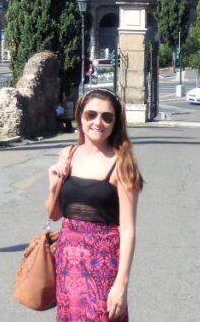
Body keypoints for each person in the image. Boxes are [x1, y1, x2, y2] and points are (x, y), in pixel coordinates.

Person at [46, 88, 144, 321]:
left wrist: (121, 284)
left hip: (102, 265)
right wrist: (53, 184)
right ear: (80, 116)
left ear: (115, 122)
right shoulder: (68, 154)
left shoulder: (122, 164)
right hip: (67, 264)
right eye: (91, 114)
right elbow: (54, 214)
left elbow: (128, 230)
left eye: (106, 117)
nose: (98, 122)